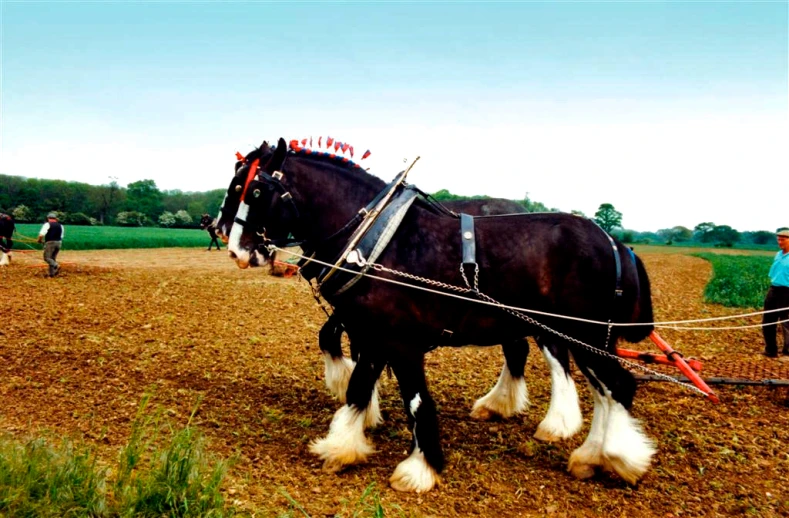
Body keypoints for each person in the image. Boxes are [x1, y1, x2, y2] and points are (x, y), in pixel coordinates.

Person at [762, 228, 789, 357]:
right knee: (767, 321)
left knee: (786, 323)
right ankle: (771, 350)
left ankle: (787, 351)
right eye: (778, 239)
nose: (779, 242)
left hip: (787, 292)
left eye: (782, 239)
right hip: (774, 289)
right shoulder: (778, 254)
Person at [37, 212, 64, 277]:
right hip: (59, 242)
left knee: (47, 258)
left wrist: (39, 240)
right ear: (55, 218)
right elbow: (62, 236)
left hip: (50, 243)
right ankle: (52, 274)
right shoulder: (61, 225)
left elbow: (41, 234)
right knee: (52, 258)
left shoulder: (47, 224)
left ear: (48, 218)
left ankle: (56, 265)